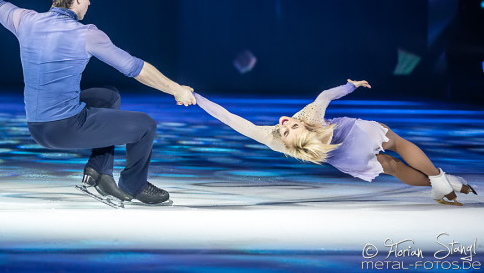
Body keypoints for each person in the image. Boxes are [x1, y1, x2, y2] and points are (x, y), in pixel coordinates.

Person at [0, 0, 196, 205]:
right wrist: (176, 90)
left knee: (108, 96)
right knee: (146, 125)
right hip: (64, 127)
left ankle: (98, 172)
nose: (89, 4)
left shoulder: (26, 20)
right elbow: (135, 68)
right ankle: (134, 186)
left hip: (36, 126)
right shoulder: (87, 34)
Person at [194, 79, 476, 205]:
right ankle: (440, 178)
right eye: (291, 126)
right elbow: (326, 95)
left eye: (290, 125)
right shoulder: (308, 116)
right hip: (356, 134)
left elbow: (229, 118)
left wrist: (196, 99)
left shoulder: (273, 140)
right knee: (397, 144)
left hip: (344, 158)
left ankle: (442, 187)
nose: (286, 122)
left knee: (391, 167)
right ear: (297, 136)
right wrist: (351, 85)